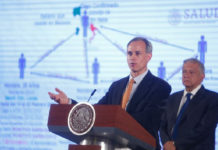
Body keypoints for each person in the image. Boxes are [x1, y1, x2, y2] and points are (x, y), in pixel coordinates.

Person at [48, 37, 172, 150]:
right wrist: (69, 102)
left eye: (137, 53)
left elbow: (151, 120)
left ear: (148, 57)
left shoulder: (160, 87)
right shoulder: (116, 86)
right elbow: (96, 112)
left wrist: (117, 121)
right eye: (129, 53)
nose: (132, 57)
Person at [160, 58, 218, 150]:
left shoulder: (213, 99)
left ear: (202, 76)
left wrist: (175, 145)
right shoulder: (172, 98)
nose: (186, 75)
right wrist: (166, 142)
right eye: (184, 72)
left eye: (191, 72)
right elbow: (163, 125)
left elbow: (204, 130)